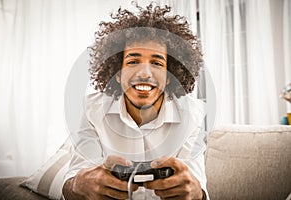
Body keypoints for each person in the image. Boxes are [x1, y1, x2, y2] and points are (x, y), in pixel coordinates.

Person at [62, 2, 208, 200]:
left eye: (157, 63)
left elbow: (197, 187)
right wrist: (80, 186)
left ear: (169, 76)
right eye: (132, 61)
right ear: (118, 73)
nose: (144, 73)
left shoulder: (193, 114)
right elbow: (74, 180)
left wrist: (195, 193)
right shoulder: (91, 109)